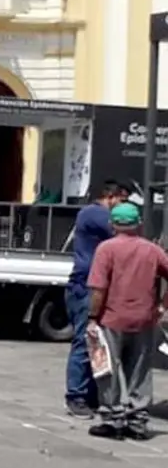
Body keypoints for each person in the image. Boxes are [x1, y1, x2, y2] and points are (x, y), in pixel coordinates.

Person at [85, 202, 167, 440]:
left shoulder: (106, 249)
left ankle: (113, 419)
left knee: (107, 369)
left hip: (111, 318)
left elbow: (99, 289)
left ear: (113, 224)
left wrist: (92, 317)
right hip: (144, 319)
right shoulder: (152, 250)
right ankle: (137, 421)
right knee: (140, 371)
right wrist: (162, 306)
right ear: (138, 224)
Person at [64, 181, 126, 419]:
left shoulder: (92, 215)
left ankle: (89, 395)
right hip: (86, 287)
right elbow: (121, 229)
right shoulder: (94, 214)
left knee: (95, 343)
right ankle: (76, 396)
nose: (123, 207)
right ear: (111, 197)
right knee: (84, 341)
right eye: (122, 201)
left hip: (91, 286)